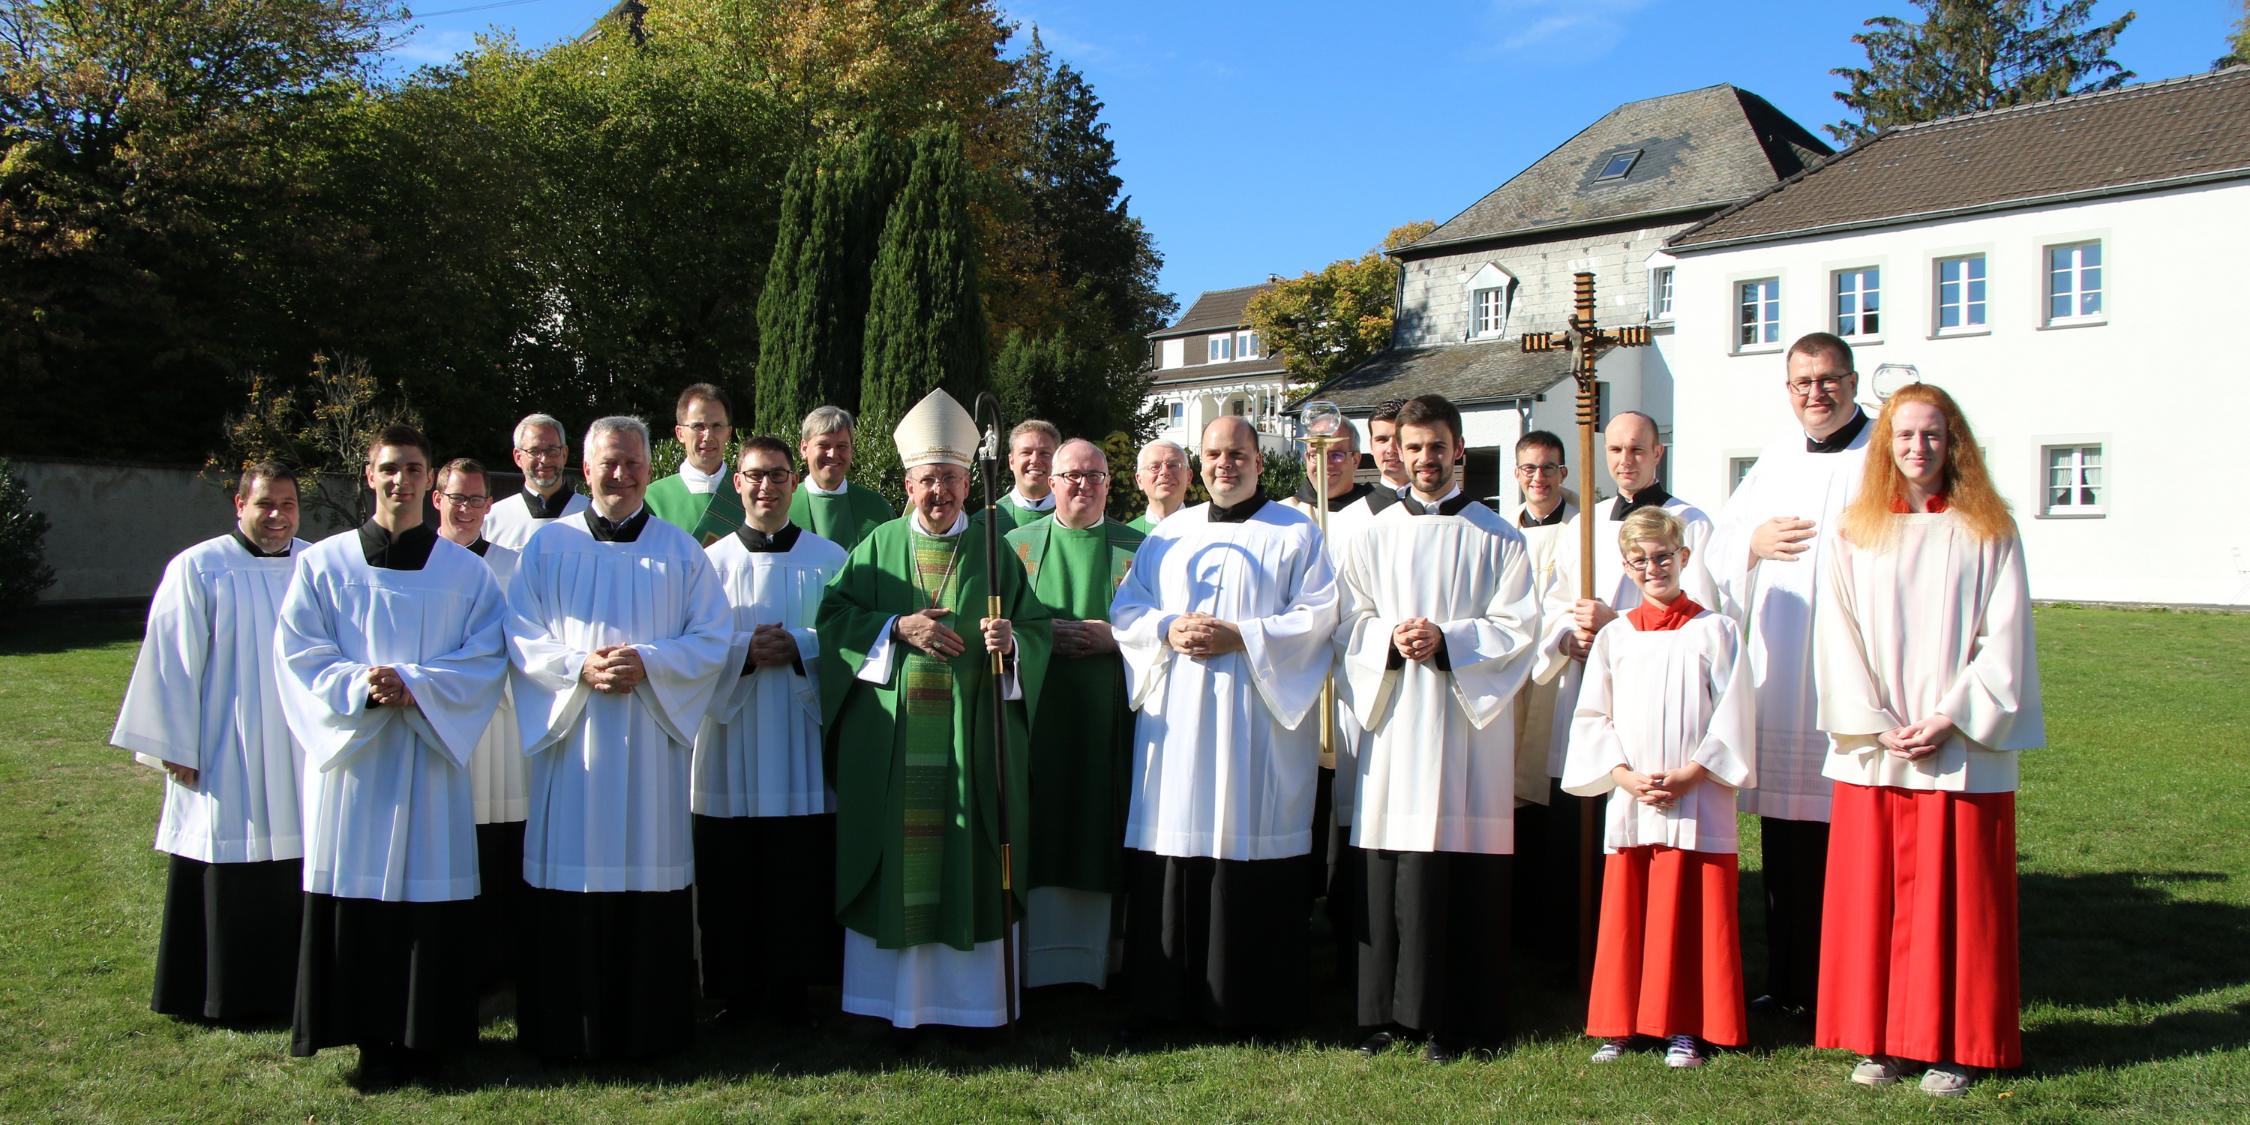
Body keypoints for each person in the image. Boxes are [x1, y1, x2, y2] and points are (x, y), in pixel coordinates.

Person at [1813, 383, 2042, 1097]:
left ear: (1955, 442)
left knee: (1960, 903)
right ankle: (1882, 1039)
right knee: (1876, 899)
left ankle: (1959, 1043)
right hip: (1877, 745)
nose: (1919, 448)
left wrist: (1949, 714)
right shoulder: (1855, 530)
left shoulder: (1988, 530)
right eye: (1906, 436)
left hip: (1959, 744)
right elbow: (1837, 634)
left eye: (1933, 435)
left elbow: (2004, 640)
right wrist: (1877, 718)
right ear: (1888, 445)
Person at [275, 426, 509, 1087]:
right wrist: (361, 686)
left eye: (412, 469)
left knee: (428, 894)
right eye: (388, 469)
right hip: (357, 758)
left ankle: (428, 1037)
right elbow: (298, 651)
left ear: (429, 480)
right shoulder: (325, 564)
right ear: (368, 477)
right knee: (360, 896)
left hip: (430, 756)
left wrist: (421, 686)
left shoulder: (467, 572)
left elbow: (488, 655)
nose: (400, 480)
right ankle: (370, 1042)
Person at [817, 389, 1052, 1030]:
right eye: (928, 480)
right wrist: (896, 627)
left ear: (965, 480)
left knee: (968, 857)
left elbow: (1035, 628)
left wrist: (1015, 644)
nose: (940, 493)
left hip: (970, 739)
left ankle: (972, 1009)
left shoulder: (995, 547)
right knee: (898, 856)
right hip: (893, 739)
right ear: (907, 482)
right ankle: (888, 1007)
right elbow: (833, 618)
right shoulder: (875, 545)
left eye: (951, 479)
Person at [506, 415, 735, 1060]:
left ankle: (649, 1030)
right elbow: (520, 635)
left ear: (648, 469)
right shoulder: (547, 549)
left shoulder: (681, 552)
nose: (623, 474)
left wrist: (651, 664)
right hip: (572, 744)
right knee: (570, 874)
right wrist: (576, 666)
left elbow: (711, 638)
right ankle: (565, 1031)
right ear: (586, 469)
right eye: (610, 462)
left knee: (647, 872)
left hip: (649, 748)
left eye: (634, 463)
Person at [1110, 415, 1340, 1034]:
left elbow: (1320, 616)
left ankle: (1251, 1004)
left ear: (1260, 462)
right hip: (1178, 720)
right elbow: (1126, 608)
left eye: (1237, 454)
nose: (1224, 465)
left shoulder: (1297, 533)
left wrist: (1245, 636)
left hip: (1255, 722)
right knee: (1176, 839)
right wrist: (1166, 627)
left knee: (1248, 834)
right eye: (1213, 454)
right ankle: (1166, 1002)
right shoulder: (1170, 534)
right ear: (1199, 461)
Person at [1332, 394, 1538, 1062]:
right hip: (1395, 725)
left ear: (1458, 447)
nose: (1424, 458)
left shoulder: (1499, 536)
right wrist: (1388, 640)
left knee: (1459, 865)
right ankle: (1385, 1017)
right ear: (1400, 452)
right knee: (1391, 864)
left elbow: (1520, 630)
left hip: (1464, 733)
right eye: (1412, 446)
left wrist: (1448, 638)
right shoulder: (1371, 534)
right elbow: (1346, 624)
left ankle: (1461, 1017)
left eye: (1436, 445)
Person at [1704, 332, 1871, 1017]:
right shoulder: (1775, 457)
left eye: (1828, 380)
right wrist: (1750, 543)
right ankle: (1789, 980)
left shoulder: (1881, 455)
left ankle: (1846, 985)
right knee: (1786, 846)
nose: (1815, 394)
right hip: (1784, 675)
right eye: (1802, 382)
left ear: (1852, 381)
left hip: (1853, 675)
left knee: (1849, 846)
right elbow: (1716, 548)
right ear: (1788, 388)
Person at [111, 463, 308, 1027]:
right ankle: (219, 992)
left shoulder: (317, 564)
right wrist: (176, 743)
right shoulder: (199, 568)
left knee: (298, 862)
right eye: (265, 504)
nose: (277, 516)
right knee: (228, 858)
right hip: (228, 745)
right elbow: (170, 663)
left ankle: (294, 987)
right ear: (239, 505)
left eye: (288, 505)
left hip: (300, 747)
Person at [1564, 507, 1755, 1071]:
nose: (1654, 568)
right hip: (1633, 795)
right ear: (1626, 566)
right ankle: (1620, 1023)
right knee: (1630, 910)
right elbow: (1593, 716)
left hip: (1696, 793)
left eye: (1664, 557)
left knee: (1690, 909)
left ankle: (1687, 1026)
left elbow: (1734, 713)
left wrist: (1695, 772)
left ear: (1684, 559)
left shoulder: (1715, 629)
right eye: (1641, 560)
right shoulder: (1615, 636)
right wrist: (1622, 776)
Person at [1530, 412, 1718, 957]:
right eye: (1614, 450)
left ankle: (1648, 948)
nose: (1624, 461)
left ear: (1658, 453)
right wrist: (1567, 638)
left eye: (1636, 450)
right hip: (1587, 689)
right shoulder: (1583, 526)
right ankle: (1579, 951)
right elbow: (1555, 604)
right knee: (1582, 827)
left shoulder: (1690, 525)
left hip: (1657, 707)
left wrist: (1619, 625)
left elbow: (1701, 613)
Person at [691, 434, 849, 1023]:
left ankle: (796, 988)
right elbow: (691, 648)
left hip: (800, 735)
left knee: (798, 865)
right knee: (731, 867)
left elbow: (848, 640)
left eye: (778, 475)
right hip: (730, 735)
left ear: (792, 481)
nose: (766, 486)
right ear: (738, 484)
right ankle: (736, 991)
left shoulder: (829, 559)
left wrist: (804, 645)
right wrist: (744, 651)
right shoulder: (708, 564)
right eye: (755, 476)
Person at [1005, 438, 1145, 990]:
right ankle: (1031, 964)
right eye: (1071, 475)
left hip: (1113, 721)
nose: (1081, 485)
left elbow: (1167, 625)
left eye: (1094, 475)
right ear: (1051, 481)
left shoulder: (1139, 547)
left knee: (1100, 821)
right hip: (1036, 719)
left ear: (1110, 483)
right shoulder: (1015, 546)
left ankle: (1101, 963)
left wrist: (1116, 638)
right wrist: (1037, 638)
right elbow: (990, 625)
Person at [429, 457, 528, 1003]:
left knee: (505, 841)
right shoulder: (423, 567)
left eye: (475, 500)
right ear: (436, 499)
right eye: (455, 498)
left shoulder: (517, 565)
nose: (465, 510)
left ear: (491, 506)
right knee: (454, 837)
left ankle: (506, 961)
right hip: (449, 726)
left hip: (508, 726)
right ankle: (456, 958)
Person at [1508, 430, 1580, 957]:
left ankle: (1555, 922)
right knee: (1508, 789)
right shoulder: (1498, 530)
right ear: (1516, 474)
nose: (1539, 478)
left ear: (1564, 473)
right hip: (1509, 677)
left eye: (1548, 468)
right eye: (1529, 468)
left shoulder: (1585, 531)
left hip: (1560, 678)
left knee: (1549, 789)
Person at [644, 383, 745, 545]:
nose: (708, 436)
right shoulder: (651, 500)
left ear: (728, 433)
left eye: (717, 426)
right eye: (698, 426)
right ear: (680, 433)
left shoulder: (749, 494)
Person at [787, 405, 892, 550]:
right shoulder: (783, 505)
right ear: (804, 449)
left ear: (851, 451)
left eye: (842, 446)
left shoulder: (876, 507)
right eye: (823, 445)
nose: (833, 454)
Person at [483, 414, 587, 549]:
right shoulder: (492, 520)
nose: (544, 460)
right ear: (518, 457)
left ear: (564, 454)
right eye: (534, 451)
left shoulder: (593, 515)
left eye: (552, 450)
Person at [988, 419, 1060, 529]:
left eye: (1045, 453)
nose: (1035, 460)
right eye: (1026, 452)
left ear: (1057, 461)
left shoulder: (1079, 516)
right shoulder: (986, 521)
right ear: (1011, 461)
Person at [1128, 440, 1191, 533]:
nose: (1165, 472)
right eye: (1154, 467)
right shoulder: (1124, 537)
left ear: (1189, 476)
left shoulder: (1208, 532)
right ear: (1139, 480)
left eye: (1173, 465)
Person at [1365, 399, 1411, 495]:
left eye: (1400, 439)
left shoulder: (1445, 507)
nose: (1391, 449)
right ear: (1371, 446)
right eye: (1382, 440)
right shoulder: (1357, 509)